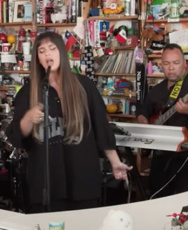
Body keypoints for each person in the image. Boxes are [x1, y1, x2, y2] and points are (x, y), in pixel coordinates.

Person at [5, 31, 132, 213]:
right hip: (46, 184)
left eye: (52, 49)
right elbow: (16, 136)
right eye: (42, 51)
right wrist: (28, 119)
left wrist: (115, 161)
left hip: (82, 180)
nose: (48, 54)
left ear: (61, 53)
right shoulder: (28, 92)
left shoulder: (84, 85)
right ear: (37, 58)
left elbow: (101, 127)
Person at [137, 43, 188, 198]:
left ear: (184, 63)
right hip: (162, 155)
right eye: (166, 64)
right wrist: (145, 125)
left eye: (176, 63)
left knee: (185, 199)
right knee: (157, 195)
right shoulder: (157, 90)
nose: (171, 68)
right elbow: (142, 113)